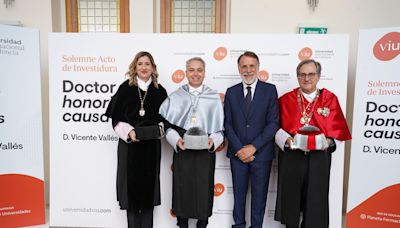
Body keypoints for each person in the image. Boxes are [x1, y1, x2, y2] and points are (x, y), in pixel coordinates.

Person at [274, 59, 352, 228]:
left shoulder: (330, 99)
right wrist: (286, 140)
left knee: (316, 201)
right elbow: (274, 127)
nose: (306, 78)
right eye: (302, 74)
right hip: (292, 157)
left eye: (311, 74)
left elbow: (338, 132)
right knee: (291, 200)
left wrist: (329, 142)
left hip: (319, 158)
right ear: (297, 77)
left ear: (318, 76)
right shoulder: (285, 100)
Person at [105, 51, 168, 228]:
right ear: (134, 67)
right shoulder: (125, 88)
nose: (143, 67)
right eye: (140, 64)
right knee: (131, 193)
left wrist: (157, 131)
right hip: (129, 147)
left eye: (147, 64)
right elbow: (116, 120)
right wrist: (130, 132)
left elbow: (165, 121)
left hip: (151, 148)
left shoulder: (159, 91)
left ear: (153, 68)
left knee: (148, 191)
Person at [159, 57, 224, 228]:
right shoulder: (176, 96)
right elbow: (167, 126)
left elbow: (220, 129)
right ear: (186, 72)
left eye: (199, 70)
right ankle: (182, 224)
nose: (196, 74)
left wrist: (213, 141)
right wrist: (176, 140)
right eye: (192, 70)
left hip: (205, 153)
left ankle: (202, 224)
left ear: (204, 72)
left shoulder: (214, 97)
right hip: (183, 151)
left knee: (204, 190)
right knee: (182, 190)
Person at [224, 51, 280, 228]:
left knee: (259, 197)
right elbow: (227, 124)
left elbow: (273, 123)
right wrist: (240, 149)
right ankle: (238, 225)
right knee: (239, 196)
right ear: (239, 68)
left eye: (251, 66)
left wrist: (253, 147)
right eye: (244, 66)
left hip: (261, 155)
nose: (248, 70)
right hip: (237, 154)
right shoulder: (231, 92)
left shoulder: (270, 90)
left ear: (258, 67)